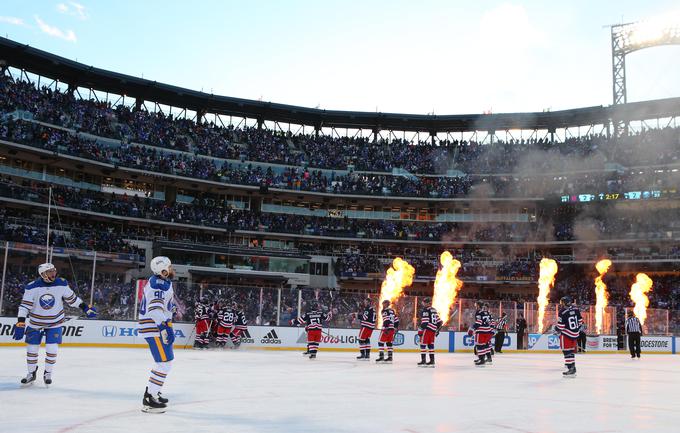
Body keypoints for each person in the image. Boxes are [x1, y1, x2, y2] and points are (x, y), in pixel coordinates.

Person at [13, 262, 97, 387]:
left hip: (55, 323)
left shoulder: (61, 284)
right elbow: (24, 306)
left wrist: (85, 308)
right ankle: (31, 373)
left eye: (54, 270)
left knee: (52, 349)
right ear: (43, 274)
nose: (53, 273)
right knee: (31, 349)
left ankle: (48, 373)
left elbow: (72, 299)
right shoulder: (32, 287)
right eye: (50, 271)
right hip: (35, 323)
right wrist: (20, 322)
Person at [137, 256, 175, 413]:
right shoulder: (159, 284)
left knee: (166, 361)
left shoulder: (159, 282)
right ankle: (150, 398)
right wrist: (164, 327)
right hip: (155, 328)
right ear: (163, 271)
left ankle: (154, 392)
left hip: (156, 327)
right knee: (164, 362)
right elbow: (154, 310)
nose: (172, 270)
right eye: (169, 267)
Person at [554, 295, 583, 377]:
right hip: (575, 334)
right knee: (571, 351)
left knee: (566, 351)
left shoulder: (562, 312)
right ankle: (573, 367)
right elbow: (580, 321)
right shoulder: (576, 309)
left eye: (562, 302)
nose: (562, 304)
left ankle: (570, 368)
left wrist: (556, 328)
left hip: (566, 334)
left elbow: (561, 327)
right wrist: (575, 330)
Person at [418, 297, 442, 368]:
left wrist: (420, 329)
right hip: (433, 330)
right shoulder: (434, 309)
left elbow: (425, 322)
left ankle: (423, 361)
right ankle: (432, 361)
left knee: (423, 345)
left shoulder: (426, 310)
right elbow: (439, 322)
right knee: (430, 345)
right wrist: (437, 330)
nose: (424, 303)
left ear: (427, 303)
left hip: (427, 329)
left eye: (425, 302)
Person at [469, 300, 494, 366]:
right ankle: (488, 358)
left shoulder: (478, 312)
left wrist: (472, 329)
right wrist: (491, 329)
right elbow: (492, 322)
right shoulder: (487, 312)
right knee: (485, 344)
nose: (475, 306)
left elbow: (478, 322)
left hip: (481, 331)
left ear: (478, 305)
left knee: (479, 345)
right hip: (488, 331)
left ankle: (482, 359)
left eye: (476, 305)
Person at [377, 299, 400, 363]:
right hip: (392, 329)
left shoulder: (384, 311)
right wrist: (395, 328)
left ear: (386, 304)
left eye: (383, 304)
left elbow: (386, 320)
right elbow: (397, 320)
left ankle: (381, 357)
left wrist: (385, 328)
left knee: (380, 342)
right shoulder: (392, 311)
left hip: (386, 328)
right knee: (389, 343)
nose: (382, 305)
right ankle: (390, 357)